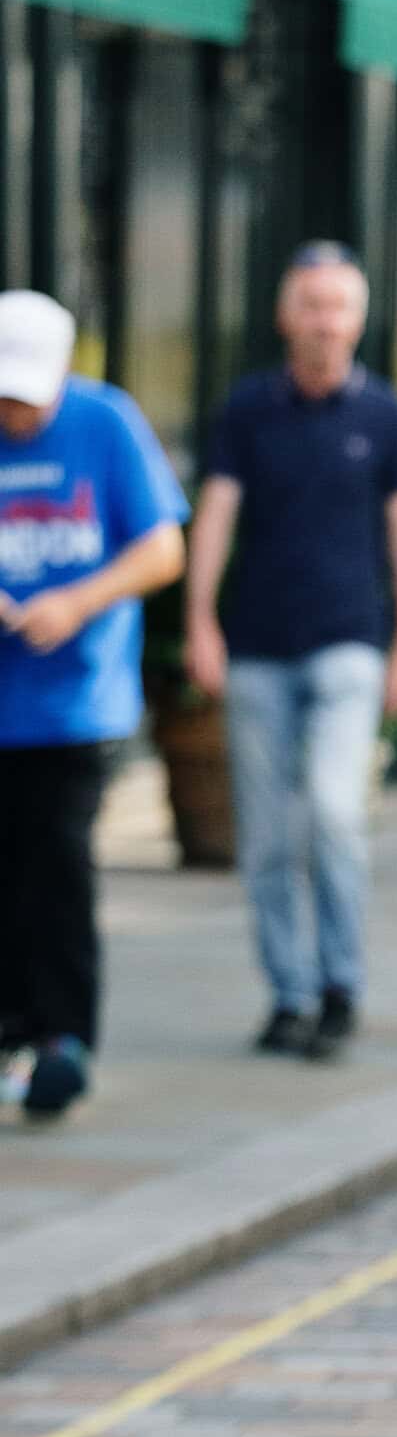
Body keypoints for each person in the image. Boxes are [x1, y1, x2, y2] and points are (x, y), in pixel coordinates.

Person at [185, 242, 397, 1059]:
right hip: (257, 647)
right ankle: (288, 994)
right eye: (312, 305)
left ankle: (340, 987)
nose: (325, 321)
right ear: (286, 316)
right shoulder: (248, 408)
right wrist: (201, 621)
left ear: (358, 319)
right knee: (263, 838)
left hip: (349, 643)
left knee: (332, 815)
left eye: (339, 306)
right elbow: (216, 515)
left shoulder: (383, 413)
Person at [0, 290, 186, 1116]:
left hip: (73, 703)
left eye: (27, 396)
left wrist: (76, 602)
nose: (16, 412)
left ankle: (61, 1040)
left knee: (56, 873)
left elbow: (162, 548)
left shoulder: (105, 421)